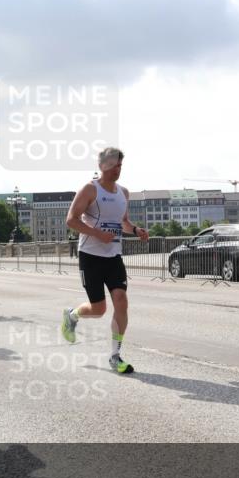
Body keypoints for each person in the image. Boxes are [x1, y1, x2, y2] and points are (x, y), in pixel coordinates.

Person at [61, 147, 149, 374]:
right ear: (102, 166)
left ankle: (115, 356)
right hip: (90, 256)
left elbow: (123, 222)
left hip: (113, 256)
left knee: (121, 300)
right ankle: (72, 315)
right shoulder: (90, 189)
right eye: (113, 165)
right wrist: (98, 233)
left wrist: (136, 229)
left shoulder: (124, 193)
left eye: (120, 165)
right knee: (98, 309)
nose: (117, 169)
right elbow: (71, 219)